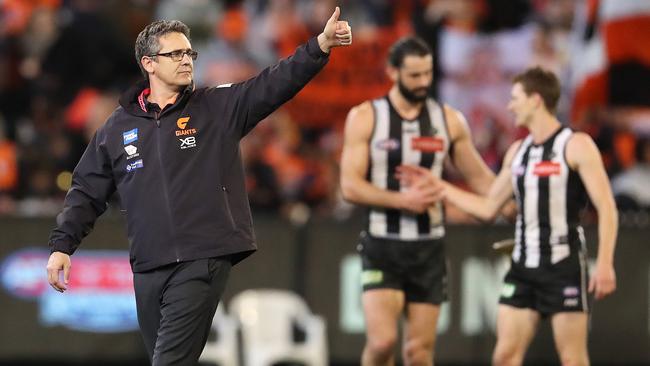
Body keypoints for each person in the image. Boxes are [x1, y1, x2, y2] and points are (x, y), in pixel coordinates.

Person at [46, 9, 352, 366]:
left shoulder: (216, 107)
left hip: (201, 258)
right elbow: (86, 189)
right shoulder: (117, 127)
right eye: (175, 54)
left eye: (189, 53)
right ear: (149, 63)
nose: (186, 60)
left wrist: (319, 46)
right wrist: (62, 246)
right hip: (147, 266)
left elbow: (273, 83)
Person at [399, 66, 618, 366]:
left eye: (515, 97)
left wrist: (605, 263)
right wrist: (441, 189)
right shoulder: (518, 152)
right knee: (504, 357)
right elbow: (489, 208)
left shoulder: (576, 145)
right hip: (523, 268)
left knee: (573, 359)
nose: (509, 104)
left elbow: (607, 207)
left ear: (536, 100)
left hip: (563, 265)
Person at [340, 36, 498, 366]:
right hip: (383, 244)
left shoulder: (449, 120)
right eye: (414, 75)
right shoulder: (366, 117)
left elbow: (482, 179)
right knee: (383, 343)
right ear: (392, 72)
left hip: (429, 248)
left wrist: (512, 200)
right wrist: (402, 201)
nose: (424, 82)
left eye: (428, 74)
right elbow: (350, 186)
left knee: (419, 351)